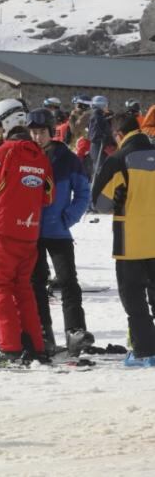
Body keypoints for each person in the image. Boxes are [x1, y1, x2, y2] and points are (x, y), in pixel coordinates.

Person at [0, 99, 54, 365]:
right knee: (23, 288)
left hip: (4, 232)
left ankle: (8, 346)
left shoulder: (4, 152)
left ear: (7, 121)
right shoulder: (40, 156)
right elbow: (48, 196)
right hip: (29, 233)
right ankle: (36, 346)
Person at [26, 108, 92, 356]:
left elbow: (83, 193)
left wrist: (68, 218)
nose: (37, 137)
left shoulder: (68, 159)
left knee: (68, 281)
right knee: (36, 282)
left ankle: (75, 331)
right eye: (33, 132)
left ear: (51, 131)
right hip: (30, 231)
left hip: (58, 231)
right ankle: (43, 332)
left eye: (41, 132)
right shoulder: (24, 157)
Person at [92, 113, 155, 365]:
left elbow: (100, 202)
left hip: (131, 243)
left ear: (119, 135)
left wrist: (118, 201)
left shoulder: (118, 159)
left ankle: (145, 352)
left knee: (134, 300)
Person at [87, 95, 114, 185]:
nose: (107, 107)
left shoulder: (100, 116)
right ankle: (96, 189)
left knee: (101, 168)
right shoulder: (97, 117)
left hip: (100, 146)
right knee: (100, 169)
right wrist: (105, 138)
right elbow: (94, 135)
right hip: (98, 146)